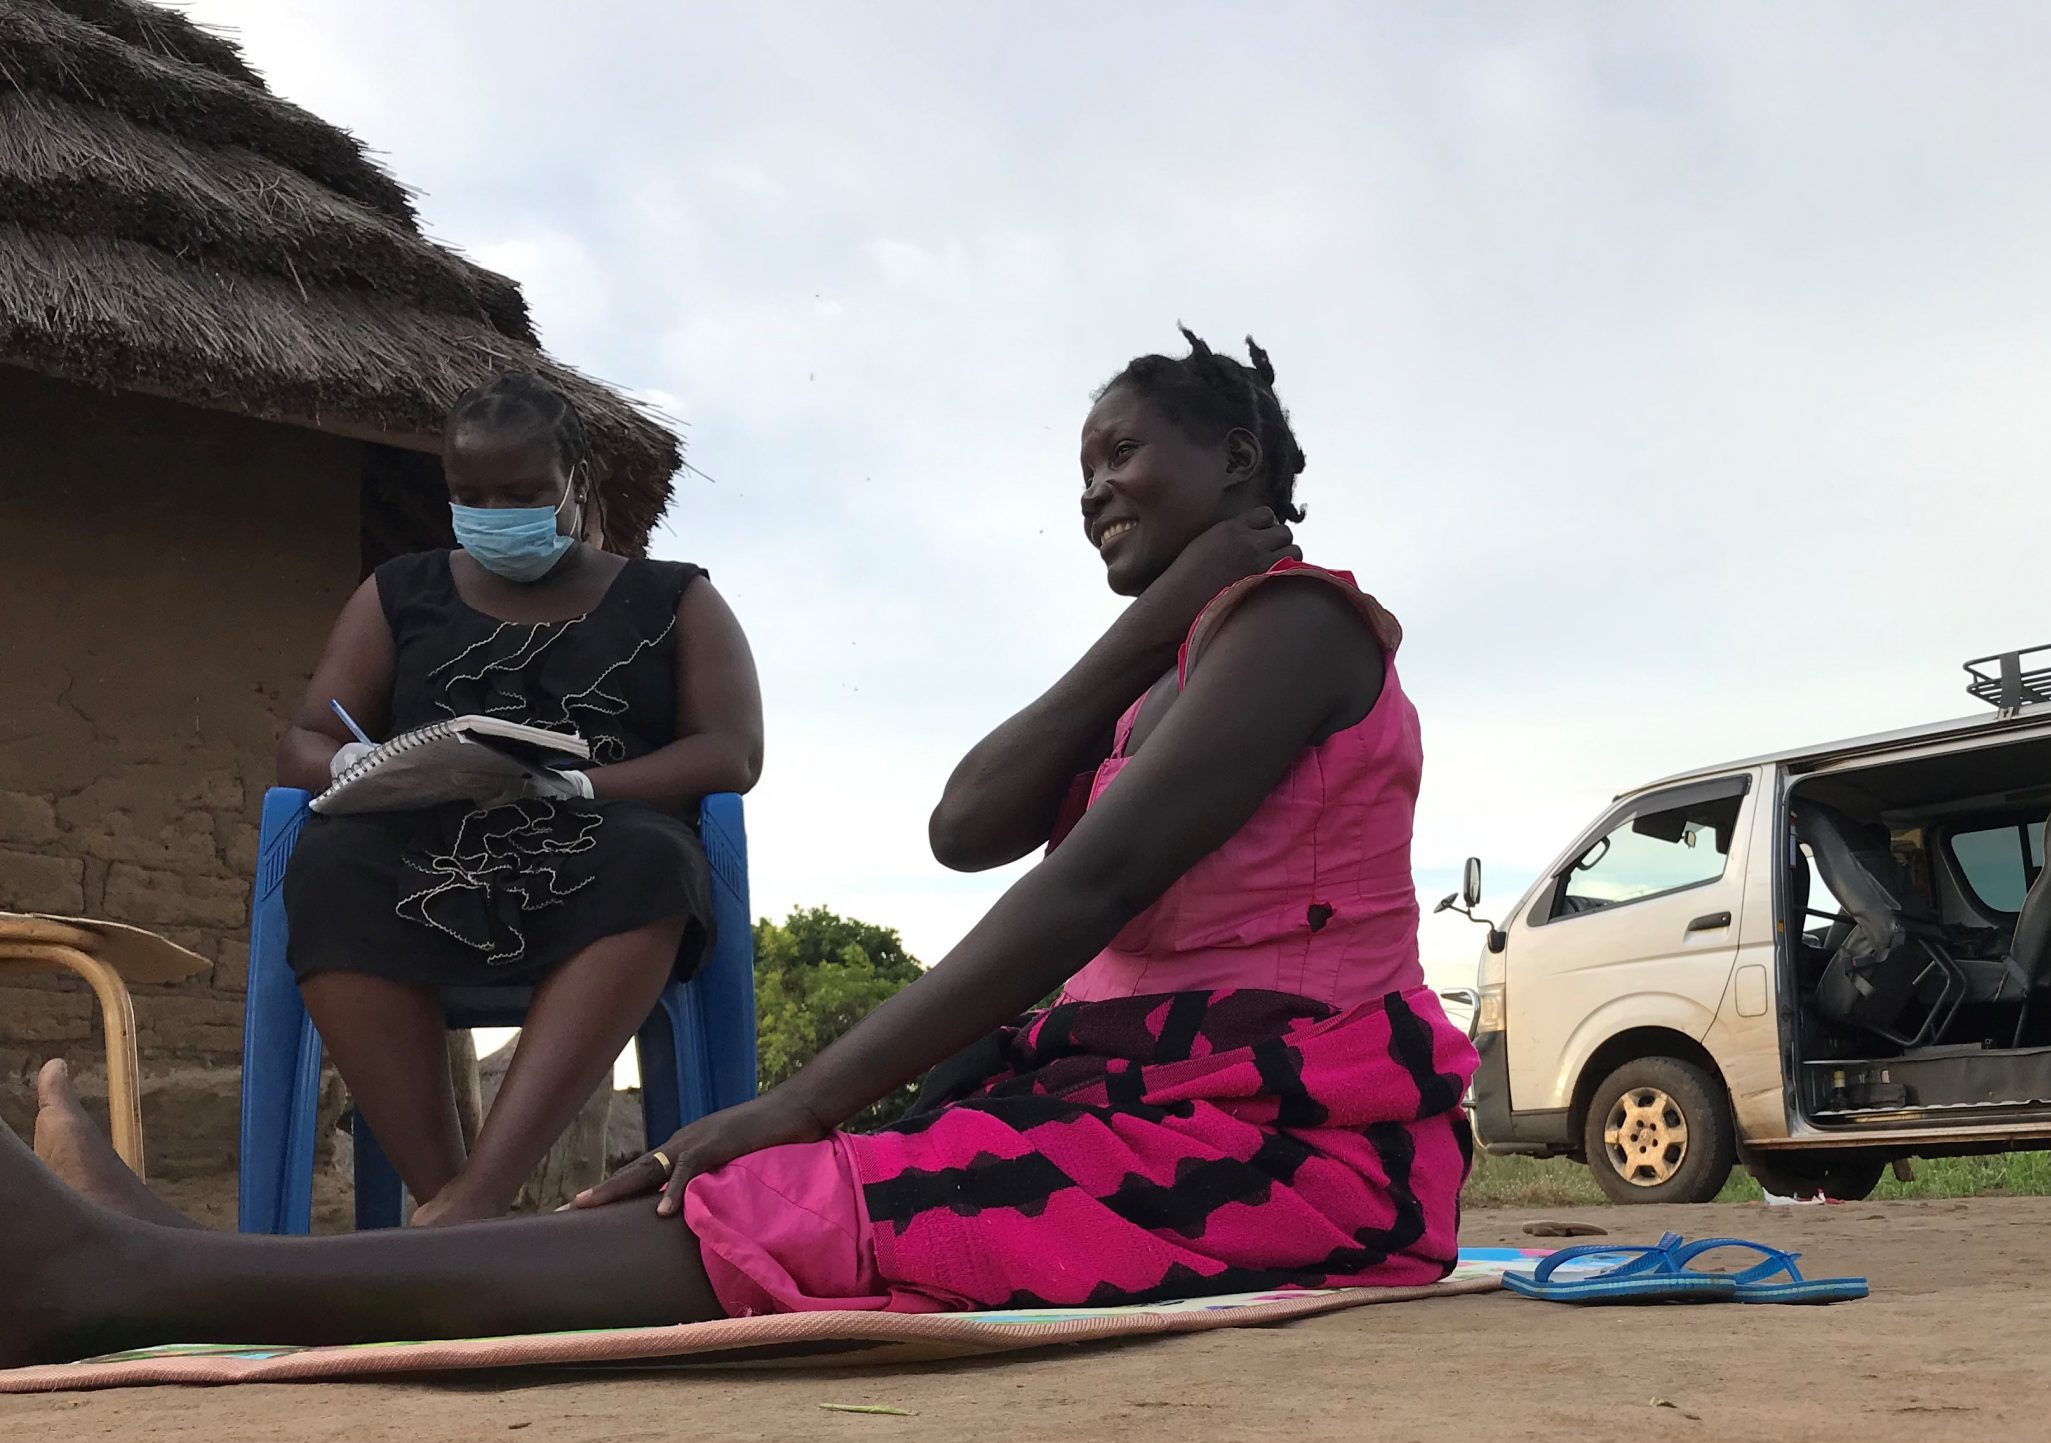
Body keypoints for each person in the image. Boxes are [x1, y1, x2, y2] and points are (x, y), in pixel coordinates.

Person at [0, 331, 1473, 1366]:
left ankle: (143, 1277)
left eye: (1122, 454)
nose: (1090, 488)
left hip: (1283, 1127)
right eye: (1080, 465)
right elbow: (968, 825)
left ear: (1233, 456)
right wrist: (1151, 618)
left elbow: (1084, 884)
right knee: (710, 1184)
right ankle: (197, 1269)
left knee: (791, 1193)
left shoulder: (1296, 630)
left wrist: (805, 1093)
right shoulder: (1182, 657)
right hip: (1140, 1082)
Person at [276, 372, 763, 1223]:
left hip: (598, 848)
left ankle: (479, 1196)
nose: (496, 513)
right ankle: (451, 1202)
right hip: (422, 853)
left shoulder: (675, 599)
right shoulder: (399, 594)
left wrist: (581, 784)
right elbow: (304, 737)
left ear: (577, 481)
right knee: (329, 865)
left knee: (655, 859)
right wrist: (357, 763)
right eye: (471, 496)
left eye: (523, 494)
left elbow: (731, 751)